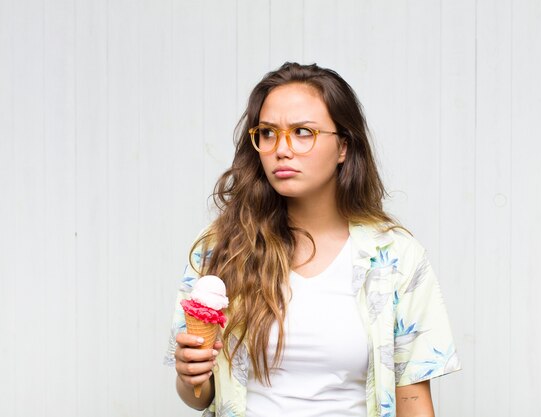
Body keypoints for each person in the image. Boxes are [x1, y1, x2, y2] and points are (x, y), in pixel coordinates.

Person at [164, 62, 461, 417]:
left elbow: (413, 400)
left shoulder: (396, 256)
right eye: (268, 133)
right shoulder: (220, 247)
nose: (282, 149)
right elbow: (199, 396)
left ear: (343, 147)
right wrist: (189, 374)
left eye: (303, 132)